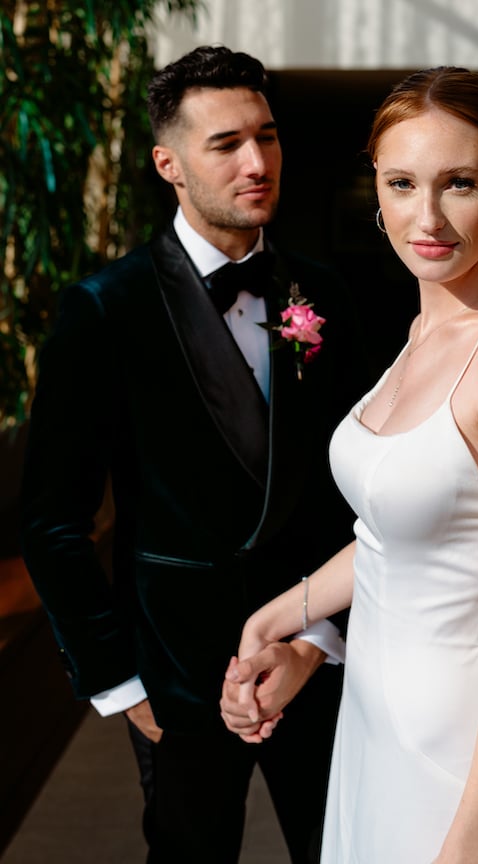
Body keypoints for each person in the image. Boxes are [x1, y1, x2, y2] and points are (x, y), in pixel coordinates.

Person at [20, 45, 368, 864]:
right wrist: (121, 687)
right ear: (167, 163)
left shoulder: (322, 295)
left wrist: (318, 643)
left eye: (268, 135)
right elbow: (52, 518)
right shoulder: (104, 309)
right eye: (226, 144)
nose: (258, 162)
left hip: (315, 657)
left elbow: (356, 494)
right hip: (174, 677)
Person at [222, 66, 478, 863]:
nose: (428, 218)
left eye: (459, 183)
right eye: (402, 182)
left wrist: (472, 846)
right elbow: (394, 531)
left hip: (455, 764)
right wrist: (280, 618)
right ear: (375, 190)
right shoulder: (421, 331)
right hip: (370, 732)